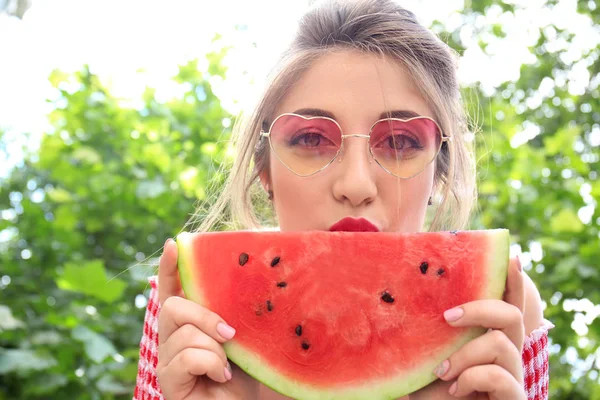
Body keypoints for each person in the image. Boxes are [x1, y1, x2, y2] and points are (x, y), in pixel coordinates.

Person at [133, 0, 554, 399]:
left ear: (438, 175)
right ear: (265, 170)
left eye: (401, 141)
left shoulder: (501, 313)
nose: (356, 184)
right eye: (311, 138)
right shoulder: (192, 314)